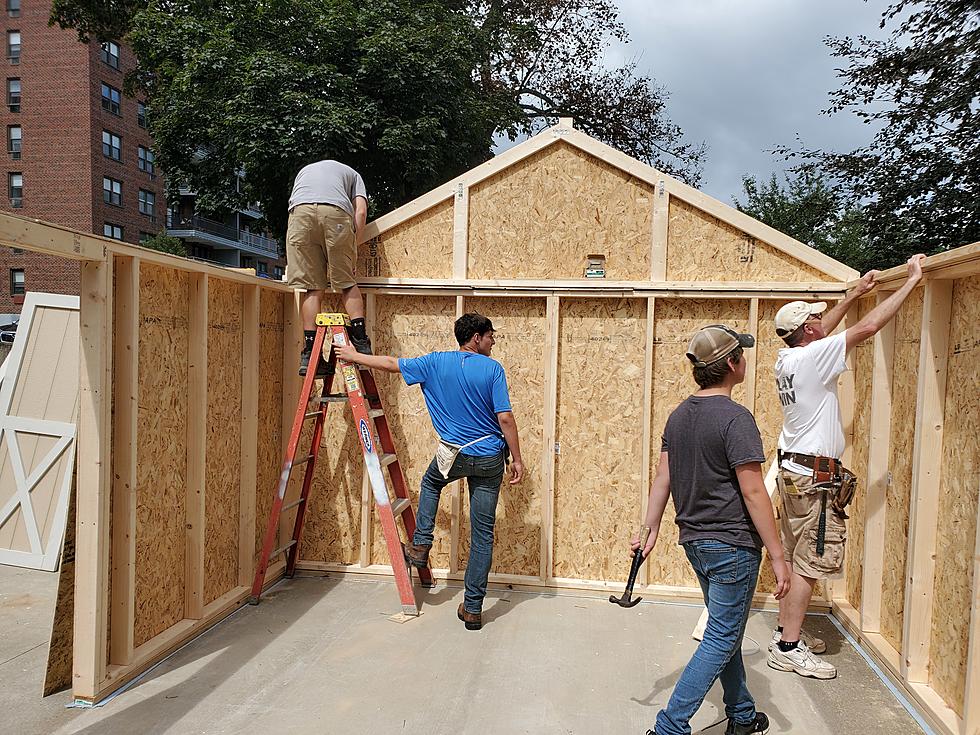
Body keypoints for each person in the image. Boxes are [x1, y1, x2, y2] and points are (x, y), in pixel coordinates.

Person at [767, 253, 925, 680]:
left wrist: (853, 293)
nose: (822, 321)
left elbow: (825, 331)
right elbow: (868, 327)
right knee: (810, 561)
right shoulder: (811, 358)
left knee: (800, 554)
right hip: (813, 479)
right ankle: (787, 647)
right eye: (815, 320)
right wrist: (912, 281)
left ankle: (789, 632)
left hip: (795, 473)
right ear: (807, 331)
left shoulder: (789, 359)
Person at [634, 324, 790, 735]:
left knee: (727, 629)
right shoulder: (736, 419)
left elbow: (662, 478)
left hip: (696, 542)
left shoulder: (679, 415)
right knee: (721, 636)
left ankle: (741, 716)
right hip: (733, 546)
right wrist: (778, 554)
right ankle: (670, 726)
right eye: (742, 354)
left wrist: (649, 527)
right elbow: (754, 491)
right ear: (732, 364)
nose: (746, 360)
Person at [336, 313, 524, 630]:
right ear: (476, 338)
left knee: (432, 482)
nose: (493, 341)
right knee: (482, 536)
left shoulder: (435, 363)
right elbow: (504, 418)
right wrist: (517, 459)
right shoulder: (492, 369)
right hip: (490, 458)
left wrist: (354, 357)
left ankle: (421, 544)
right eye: (491, 335)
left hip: (454, 456)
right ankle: (474, 609)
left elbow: (391, 364)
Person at [286, 159, 371, 376]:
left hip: (299, 214)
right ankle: (361, 343)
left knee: (313, 287)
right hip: (334, 213)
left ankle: (309, 356)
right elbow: (360, 213)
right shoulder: (354, 175)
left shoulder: (305, 170)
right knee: (347, 283)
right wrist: (354, 249)